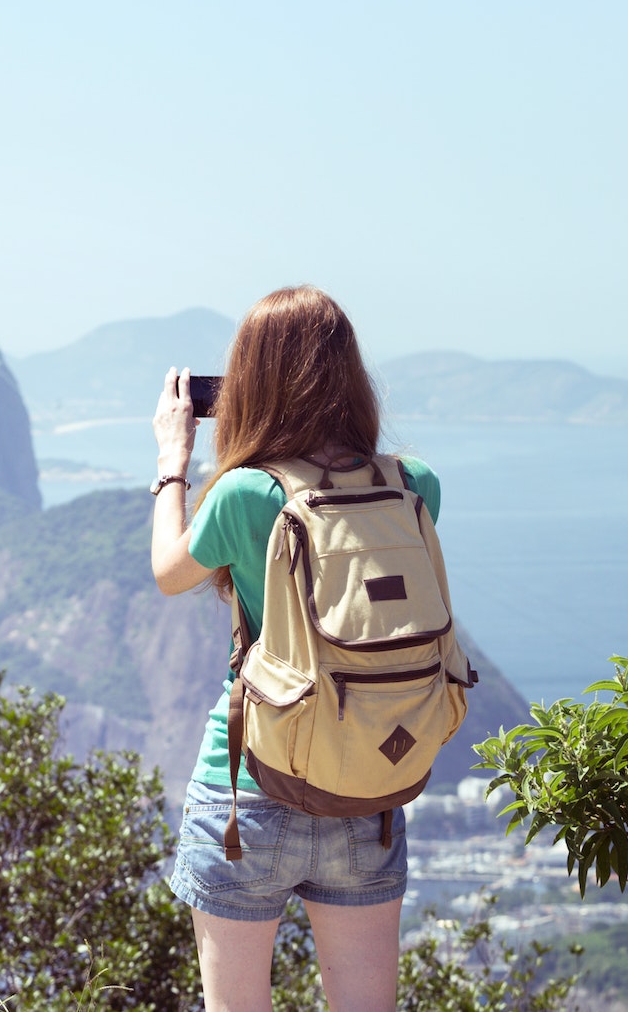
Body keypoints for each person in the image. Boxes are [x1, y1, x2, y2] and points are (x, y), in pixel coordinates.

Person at [148, 285, 441, 1012]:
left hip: (248, 784)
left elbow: (168, 572)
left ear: (251, 380)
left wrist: (174, 461)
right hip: (370, 777)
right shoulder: (416, 485)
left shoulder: (246, 494)